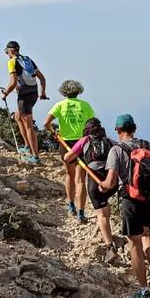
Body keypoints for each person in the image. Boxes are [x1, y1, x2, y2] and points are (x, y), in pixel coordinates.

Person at [98, 114, 150, 298]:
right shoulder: (148, 145)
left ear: (118, 130)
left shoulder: (116, 150)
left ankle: (144, 292)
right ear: (134, 128)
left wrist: (102, 186)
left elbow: (111, 182)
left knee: (134, 243)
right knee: (147, 234)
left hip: (131, 200)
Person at [64, 117, 120, 255]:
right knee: (105, 206)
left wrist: (77, 157)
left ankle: (109, 246)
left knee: (101, 214)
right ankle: (107, 233)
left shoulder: (85, 140)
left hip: (95, 182)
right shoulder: (111, 142)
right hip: (112, 180)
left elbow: (67, 158)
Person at [44, 80, 96, 222]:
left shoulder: (60, 105)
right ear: (78, 91)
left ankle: (71, 205)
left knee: (69, 174)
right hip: (83, 143)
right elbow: (93, 124)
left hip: (66, 143)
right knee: (81, 179)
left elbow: (46, 122)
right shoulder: (85, 105)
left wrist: (54, 133)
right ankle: (81, 213)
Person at [0, 41, 47, 163]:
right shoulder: (27, 59)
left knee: (28, 125)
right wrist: (43, 93)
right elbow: (42, 78)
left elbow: (13, 82)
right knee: (17, 116)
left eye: (6, 51)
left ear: (10, 50)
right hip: (34, 93)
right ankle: (27, 146)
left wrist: (5, 93)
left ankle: (35, 156)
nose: (6, 53)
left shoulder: (11, 62)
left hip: (24, 96)